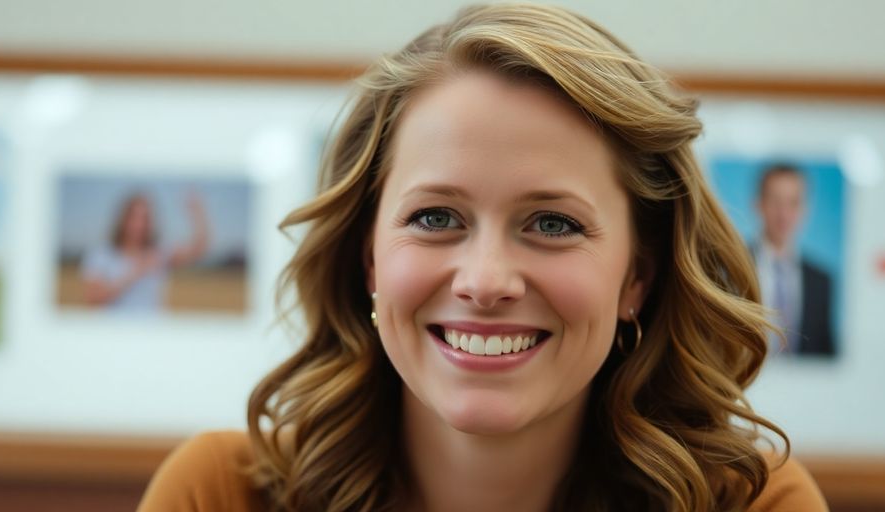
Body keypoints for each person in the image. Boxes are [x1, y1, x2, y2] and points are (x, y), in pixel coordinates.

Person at [139, 4, 827, 511]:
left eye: (552, 223)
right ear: (369, 258)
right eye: (435, 218)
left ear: (637, 278)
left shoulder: (755, 503)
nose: (486, 282)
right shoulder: (219, 494)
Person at [752, 164, 836, 356]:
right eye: (775, 201)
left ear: (805, 209)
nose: (784, 214)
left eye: (793, 203)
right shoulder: (729, 267)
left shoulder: (821, 281)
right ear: (758, 204)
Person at [80, 190, 208, 313]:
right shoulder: (102, 254)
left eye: (145, 218)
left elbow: (198, 249)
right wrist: (135, 273)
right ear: (123, 219)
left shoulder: (158, 254)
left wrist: (198, 212)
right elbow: (93, 300)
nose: (140, 224)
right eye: (134, 217)